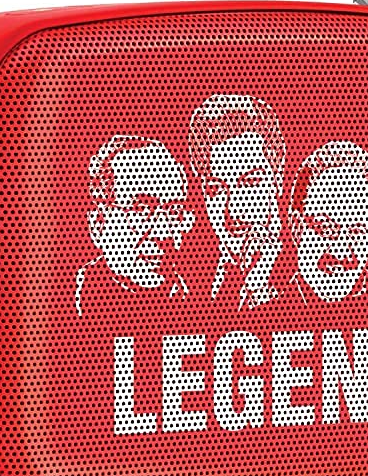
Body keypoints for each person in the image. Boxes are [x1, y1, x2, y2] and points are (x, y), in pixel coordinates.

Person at [75, 134, 194, 317]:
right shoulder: (68, 307)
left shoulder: (197, 303)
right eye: (141, 209)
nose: (163, 233)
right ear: (98, 225)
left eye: (173, 211)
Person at [187, 94, 285, 310]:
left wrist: (259, 290)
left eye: (250, 183)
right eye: (216, 190)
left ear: (277, 179)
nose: (233, 212)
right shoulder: (189, 283)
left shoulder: (308, 274)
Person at [287, 141, 368, 304]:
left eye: (357, 232)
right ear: (297, 227)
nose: (341, 252)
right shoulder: (271, 310)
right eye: (326, 228)